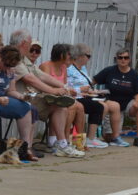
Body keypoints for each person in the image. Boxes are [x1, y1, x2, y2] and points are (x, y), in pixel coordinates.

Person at [10, 30, 83, 158]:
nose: (31, 50)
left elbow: (41, 75)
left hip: (29, 98)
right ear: (23, 43)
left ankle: (61, 144)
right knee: (53, 104)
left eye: (36, 49)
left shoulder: (23, 59)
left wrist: (63, 87)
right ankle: (31, 146)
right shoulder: (13, 57)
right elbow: (30, 79)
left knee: (60, 105)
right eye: (30, 45)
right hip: (18, 98)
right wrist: (53, 90)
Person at [0, 46, 37, 161]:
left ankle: (25, 148)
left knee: (25, 108)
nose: (7, 68)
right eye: (6, 65)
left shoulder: (10, 67)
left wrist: (22, 97)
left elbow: (11, 91)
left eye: (11, 66)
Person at [67, 43, 119, 149]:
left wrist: (95, 91)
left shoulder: (83, 68)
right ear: (80, 56)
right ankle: (90, 137)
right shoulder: (69, 69)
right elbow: (68, 87)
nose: (89, 59)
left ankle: (93, 136)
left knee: (108, 105)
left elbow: (87, 85)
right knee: (100, 107)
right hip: (76, 97)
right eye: (88, 56)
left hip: (85, 95)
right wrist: (81, 90)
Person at [93, 48, 138, 147]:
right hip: (112, 105)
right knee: (109, 138)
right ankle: (112, 134)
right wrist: (90, 90)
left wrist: (136, 102)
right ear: (116, 59)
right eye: (120, 57)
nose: (123, 60)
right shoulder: (109, 70)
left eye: (126, 58)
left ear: (129, 59)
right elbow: (93, 81)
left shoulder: (134, 74)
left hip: (127, 104)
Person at [40, 43, 88, 147]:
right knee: (70, 107)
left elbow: (65, 86)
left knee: (80, 107)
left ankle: (78, 142)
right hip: (47, 98)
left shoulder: (63, 67)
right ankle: (64, 140)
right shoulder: (46, 66)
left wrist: (70, 92)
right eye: (69, 55)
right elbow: (45, 87)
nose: (72, 58)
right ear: (62, 55)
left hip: (59, 98)